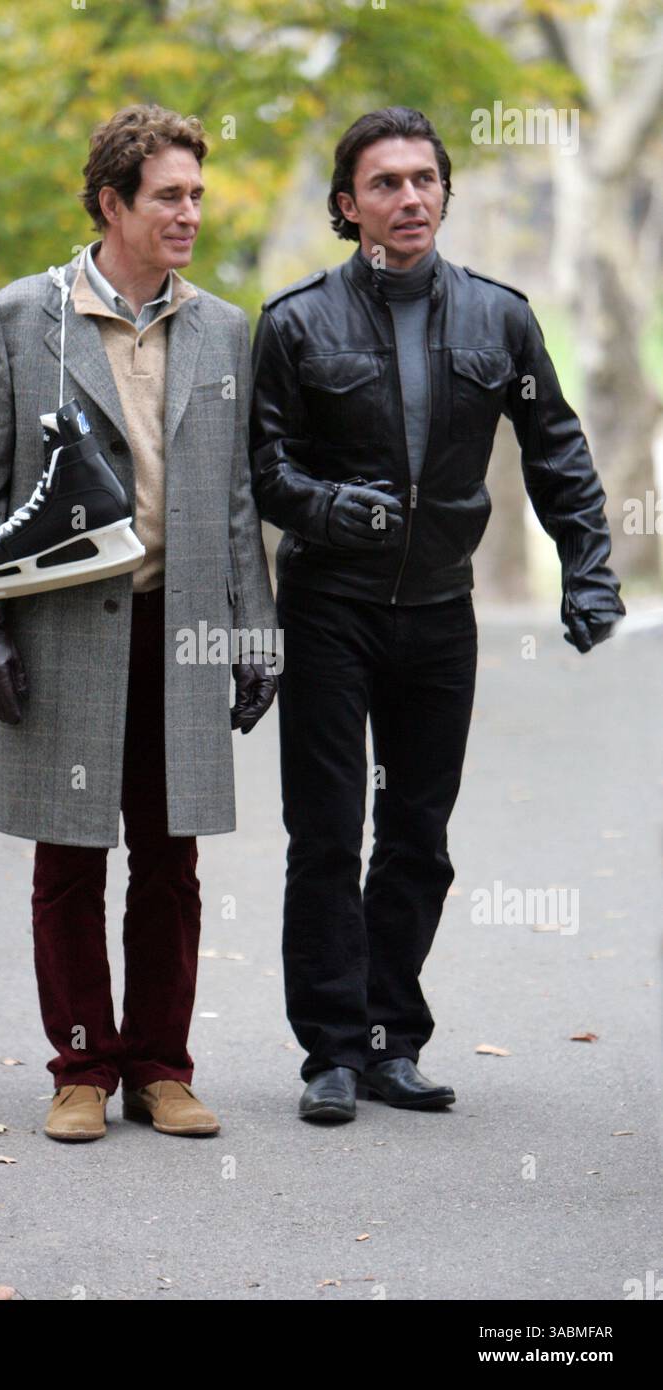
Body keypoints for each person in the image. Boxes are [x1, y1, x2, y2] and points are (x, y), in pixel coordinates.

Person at [249, 105, 625, 1124]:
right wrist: (328, 508)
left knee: (416, 834)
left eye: (422, 179)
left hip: (437, 613)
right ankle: (328, 1051)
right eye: (383, 183)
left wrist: (586, 572)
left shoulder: (497, 319)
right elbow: (261, 470)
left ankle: (387, 1039)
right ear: (346, 205)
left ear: (442, 193)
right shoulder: (293, 323)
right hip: (328, 607)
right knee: (324, 833)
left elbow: (557, 451)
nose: (407, 197)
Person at [0, 104, 277, 1143]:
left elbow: (232, 501)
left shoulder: (222, 326)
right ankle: (81, 1067)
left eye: (195, 196)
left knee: (170, 863)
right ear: (110, 203)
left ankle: (161, 1069)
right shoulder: (14, 321)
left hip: (179, 631)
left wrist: (253, 632)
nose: (188, 214)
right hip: (59, 630)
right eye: (168, 196)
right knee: (70, 859)